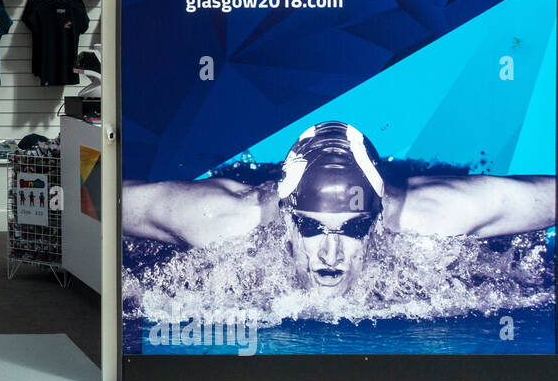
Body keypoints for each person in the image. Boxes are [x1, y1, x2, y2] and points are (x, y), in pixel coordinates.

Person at [122, 121, 555, 294]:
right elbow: (102, 200)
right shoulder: (221, 221)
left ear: (377, 221)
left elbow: (542, 199)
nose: (330, 254)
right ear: (286, 218)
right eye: (311, 228)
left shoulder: (431, 218)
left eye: (351, 230)